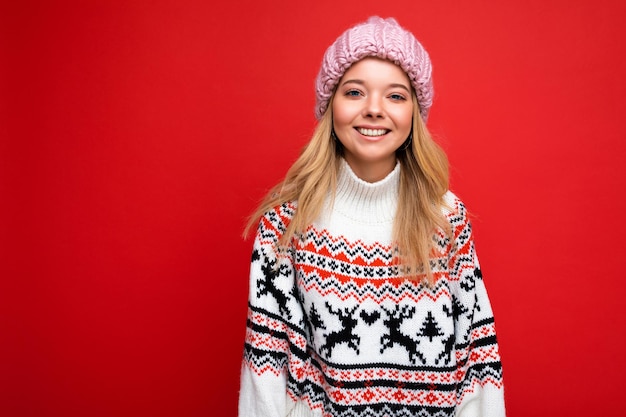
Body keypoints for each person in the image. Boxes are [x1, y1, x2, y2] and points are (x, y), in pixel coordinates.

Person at [238, 16, 505, 417]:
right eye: (355, 92)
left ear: (415, 113)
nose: (374, 109)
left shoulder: (445, 219)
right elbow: (267, 375)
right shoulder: (285, 225)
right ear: (330, 107)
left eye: (395, 96)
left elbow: (477, 365)